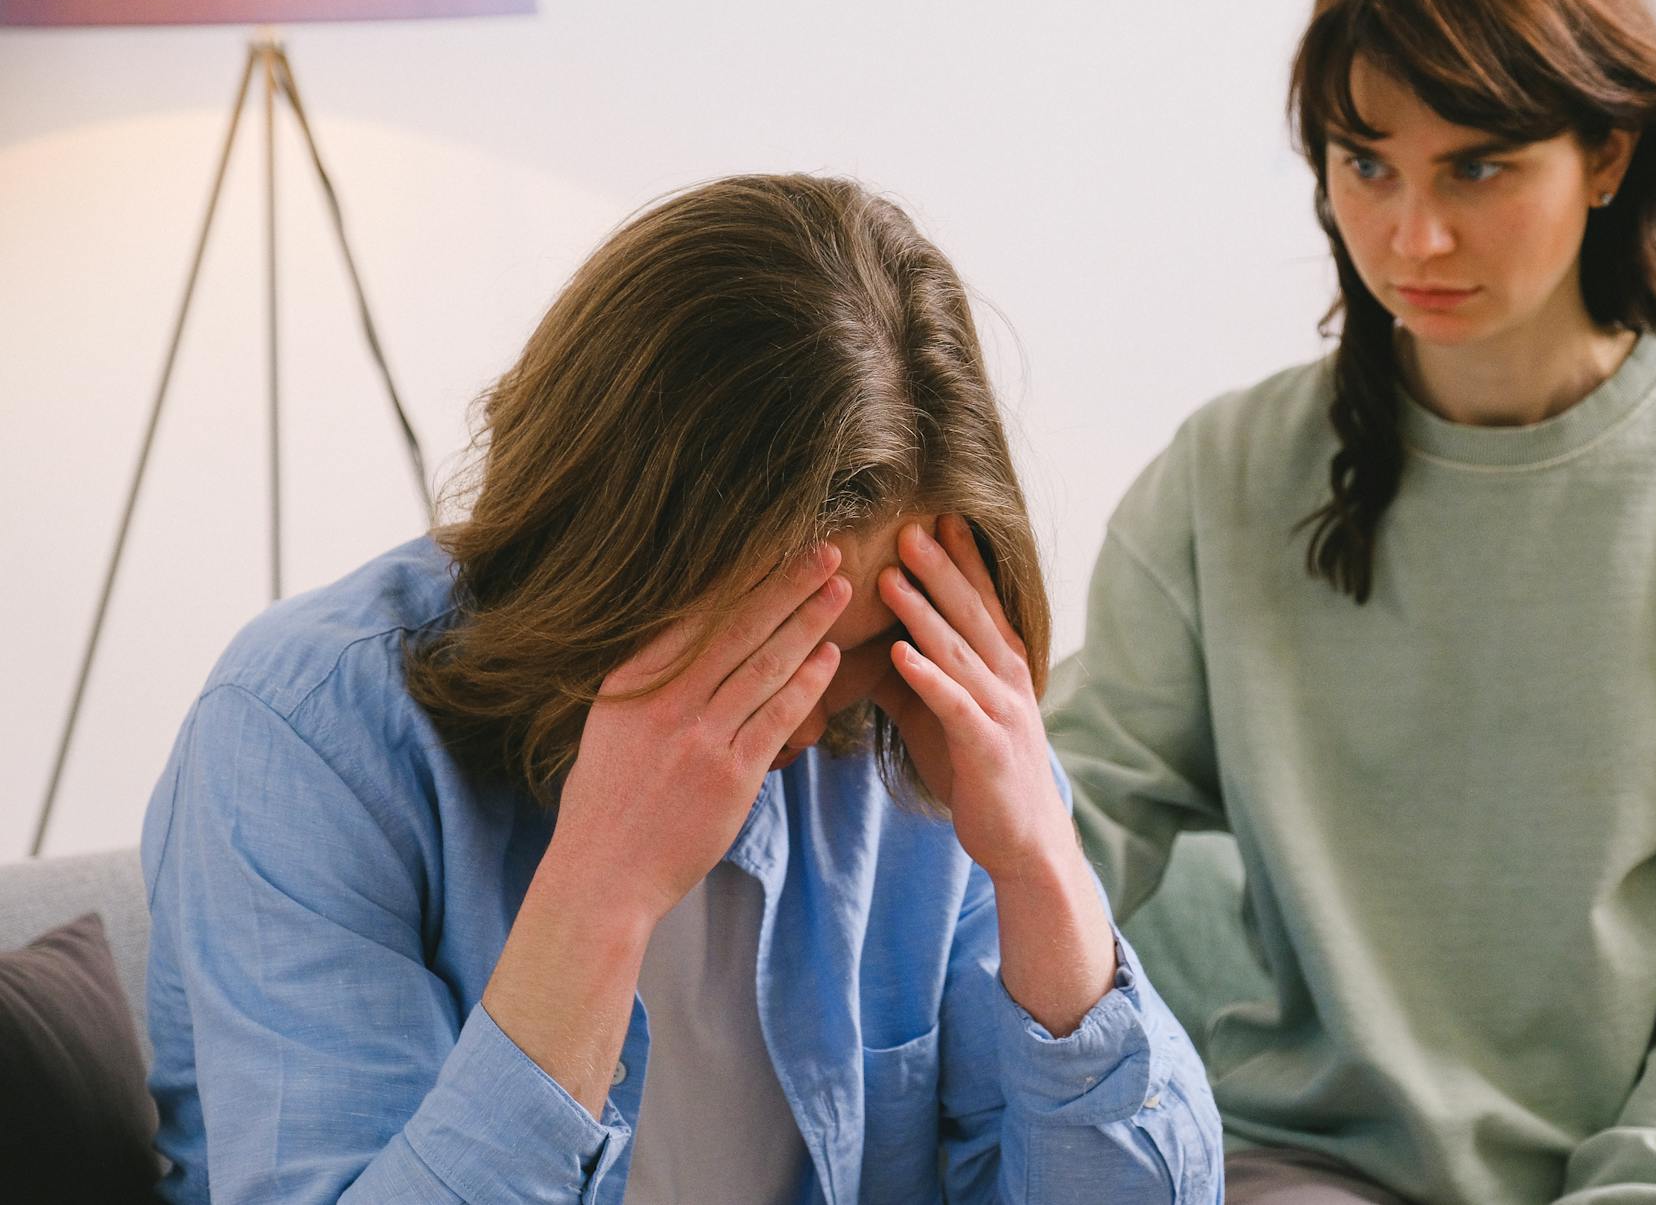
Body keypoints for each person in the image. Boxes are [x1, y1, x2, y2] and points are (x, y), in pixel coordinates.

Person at [141, 174, 1223, 1204]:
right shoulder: (302, 738)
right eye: (765, 646)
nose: (808, 710)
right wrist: (602, 887)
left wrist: (1042, 868)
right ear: (607, 554)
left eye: (859, 647)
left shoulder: (916, 725)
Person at [1044, 0, 1656, 1201]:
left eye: (1476, 168)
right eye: (1365, 164)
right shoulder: (1229, 474)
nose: (1412, 236)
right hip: (1314, 1168)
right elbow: (1064, 824)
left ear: (1605, 155)